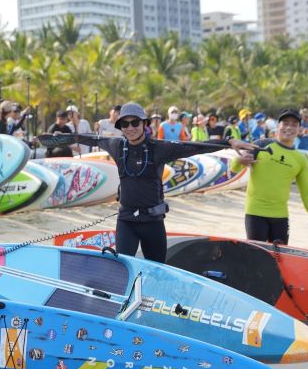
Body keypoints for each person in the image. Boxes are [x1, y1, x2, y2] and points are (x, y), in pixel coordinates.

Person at [88, 102, 253, 262]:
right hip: (126, 221)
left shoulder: (159, 148)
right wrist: (61, 138)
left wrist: (229, 142)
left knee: (158, 270)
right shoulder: (116, 146)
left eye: (135, 122)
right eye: (125, 123)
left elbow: (196, 146)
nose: (130, 128)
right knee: (124, 266)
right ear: (120, 127)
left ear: (145, 123)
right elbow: (88, 139)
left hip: (153, 222)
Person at [232, 109, 308, 245]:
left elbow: (307, 192)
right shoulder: (260, 145)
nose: (289, 127)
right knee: (255, 257)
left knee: (280, 260)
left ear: (299, 129)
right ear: (278, 126)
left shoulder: (300, 160)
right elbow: (234, 168)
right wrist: (239, 161)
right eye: (285, 123)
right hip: (255, 213)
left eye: (294, 124)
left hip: (281, 217)